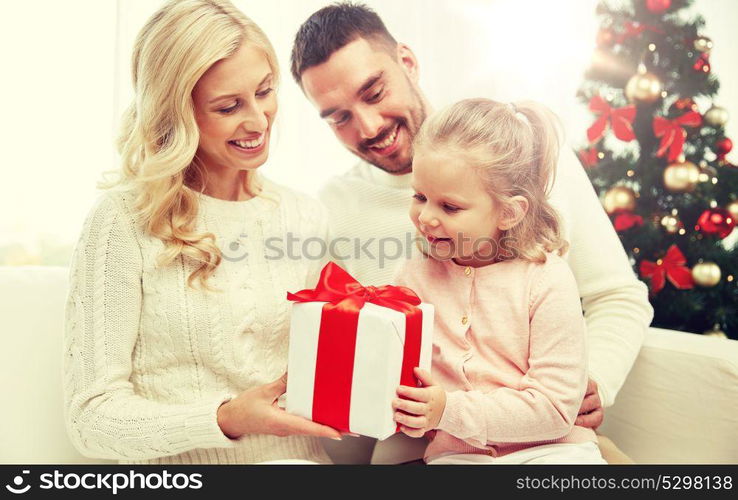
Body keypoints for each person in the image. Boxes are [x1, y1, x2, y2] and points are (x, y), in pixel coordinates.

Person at [290, 2, 653, 464]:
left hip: (550, 437)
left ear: (407, 62)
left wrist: (588, 380)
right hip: (439, 448)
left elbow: (617, 296)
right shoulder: (335, 206)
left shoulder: (527, 158)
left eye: (375, 92)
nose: (370, 125)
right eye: (338, 117)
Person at [63, 0, 340, 465]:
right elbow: (91, 420)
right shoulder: (122, 222)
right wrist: (226, 417)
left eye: (265, 91)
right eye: (228, 106)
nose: (257, 120)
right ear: (177, 113)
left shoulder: (305, 217)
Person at [391, 98, 606, 464]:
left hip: (553, 450)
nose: (425, 217)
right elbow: (397, 375)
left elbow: (554, 410)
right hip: (457, 455)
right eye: (420, 196)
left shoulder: (546, 280)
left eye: (450, 207)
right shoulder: (412, 276)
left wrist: (447, 411)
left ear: (509, 211)